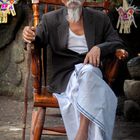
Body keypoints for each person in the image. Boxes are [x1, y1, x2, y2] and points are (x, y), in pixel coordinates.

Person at [23, 0, 125, 139]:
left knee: (88, 72)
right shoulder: (50, 19)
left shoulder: (100, 18)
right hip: (65, 77)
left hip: (92, 74)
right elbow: (37, 39)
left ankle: (81, 133)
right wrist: (29, 35)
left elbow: (117, 43)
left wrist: (99, 48)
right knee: (91, 80)